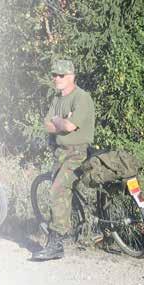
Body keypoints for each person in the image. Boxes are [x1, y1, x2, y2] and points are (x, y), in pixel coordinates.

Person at [32, 59, 95, 261]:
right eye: (54, 75)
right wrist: (62, 120)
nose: (56, 78)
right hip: (61, 152)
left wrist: (59, 122)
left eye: (61, 75)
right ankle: (72, 227)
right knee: (60, 190)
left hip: (78, 153)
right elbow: (47, 125)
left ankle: (56, 243)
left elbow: (68, 127)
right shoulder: (58, 99)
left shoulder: (81, 97)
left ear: (72, 76)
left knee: (57, 189)